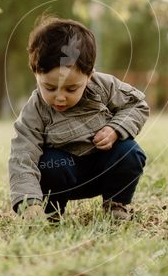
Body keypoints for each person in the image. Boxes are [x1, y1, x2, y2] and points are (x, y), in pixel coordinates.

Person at [8, 16, 149, 222]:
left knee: (130, 152)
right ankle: (51, 211)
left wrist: (115, 129)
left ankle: (116, 203)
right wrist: (28, 202)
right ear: (36, 74)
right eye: (49, 87)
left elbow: (137, 105)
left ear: (89, 76)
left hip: (102, 168)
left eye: (71, 88)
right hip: (63, 175)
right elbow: (22, 156)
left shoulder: (103, 86)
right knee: (50, 164)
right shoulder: (35, 110)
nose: (60, 96)